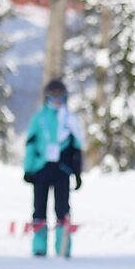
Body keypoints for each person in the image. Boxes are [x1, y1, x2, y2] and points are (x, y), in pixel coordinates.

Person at [22, 79, 84, 257]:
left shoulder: (70, 120)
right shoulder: (39, 118)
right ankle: (39, 247)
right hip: (42, 169)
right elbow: (31, 145)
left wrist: (77, 173)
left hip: (62, 170)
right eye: (53, 96)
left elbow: (77, 149)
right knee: (39, 208)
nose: (56, 100)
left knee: (62, 209)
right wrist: (28, 169)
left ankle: (63, 247)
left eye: (60, 96)